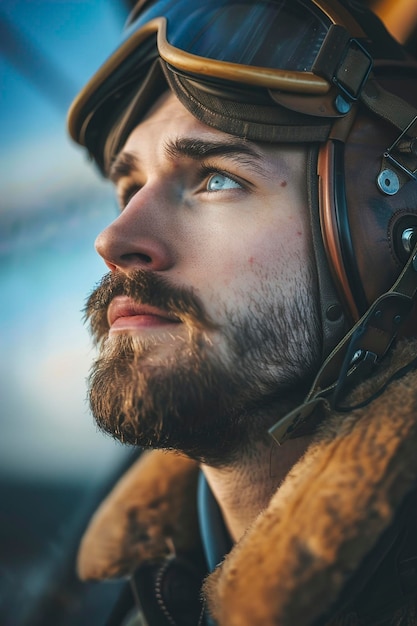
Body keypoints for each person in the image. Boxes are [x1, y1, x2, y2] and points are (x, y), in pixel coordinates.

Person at [67, 0, 417, 624]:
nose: (114, 238)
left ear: (388, 235)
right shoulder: (125, 592)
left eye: (216, 178)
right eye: (129, 188)